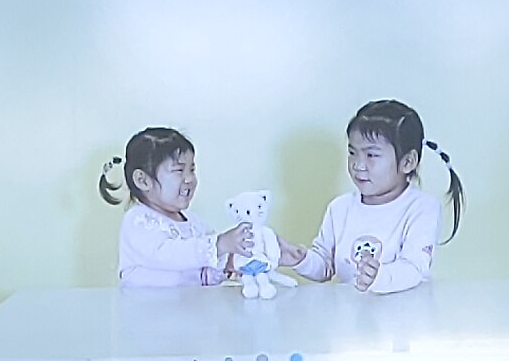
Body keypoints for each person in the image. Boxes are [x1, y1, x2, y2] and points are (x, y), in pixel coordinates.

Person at [285, 98, 460, 295]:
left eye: (371, 155)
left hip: (406, 311)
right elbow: (325, 265)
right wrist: (299, 259)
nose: (358, 165)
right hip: (351, 311)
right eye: (352, 152)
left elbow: (414, 268)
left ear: (408, 162)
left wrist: (379, 277)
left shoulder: (422, 208)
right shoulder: (340, 208)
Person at [100, 125, 244, 288]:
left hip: (187, 303)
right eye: (179, 170)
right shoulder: (138, 220)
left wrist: (227, 264)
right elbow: (169, 255)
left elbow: (201, 275)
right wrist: (218, 245)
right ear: (143, 180)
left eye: (192, 170)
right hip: (145, 304)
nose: (189, 179)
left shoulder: (194, 223)